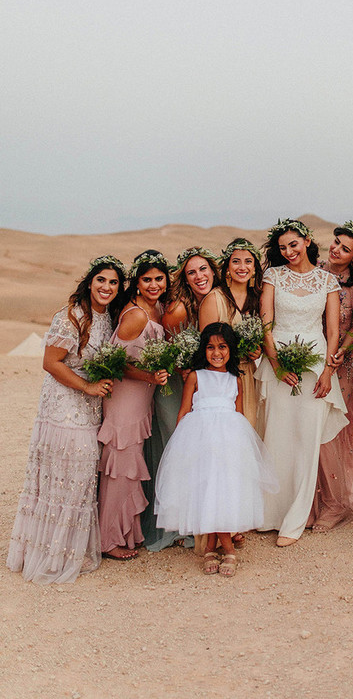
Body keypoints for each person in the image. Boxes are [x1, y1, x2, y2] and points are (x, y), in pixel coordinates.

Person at [7, 256, 126, 583]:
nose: (107, 287)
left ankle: (70, 548)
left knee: (83, 473)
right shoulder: (71, 316)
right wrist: (87, 386)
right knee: (69, 469)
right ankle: (50, 552)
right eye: (101, 280)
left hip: (91, 405)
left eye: (113, 282)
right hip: (64, 402)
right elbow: (51, 362)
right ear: (89, 282)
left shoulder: (108, 318)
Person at [154, 323, 278, 577]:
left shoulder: (235, 379)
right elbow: (184, 411)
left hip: (229, 443)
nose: (216, 352)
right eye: (210, 347)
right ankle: (225, 547)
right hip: (200, 440)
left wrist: (241, 449)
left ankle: (214, 545)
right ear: (203, 349)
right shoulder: (195, 376)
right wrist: (181, 447)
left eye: (222, 347)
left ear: (231, 349)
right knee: (208, 489)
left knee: (223, 489)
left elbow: (239, 414)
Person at [255, 219, 349, 546]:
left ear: (307, 241)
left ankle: (294, 519)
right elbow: (266, 324)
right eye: (283, 248)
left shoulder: (327, 280)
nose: (289, 252)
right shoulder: (273, 276)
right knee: (277, 437)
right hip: (280, 363)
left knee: (307, 440)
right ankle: (270, 514)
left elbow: (333, 331)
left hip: (315, 364)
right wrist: (277, 365)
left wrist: (327, 372)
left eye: (293, 244)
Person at [141, 247, 221, 551]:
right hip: (174, 388)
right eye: (192, 272)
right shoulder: (178, 310)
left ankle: (195, 520)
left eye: (203, 270)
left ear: (213, 271)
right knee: (177, 449)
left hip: (197, 386)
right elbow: (174, 356)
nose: (199, 276)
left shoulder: (211, 302)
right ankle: (175, 525)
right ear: (184, 278)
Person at [97, 250, 171, 560]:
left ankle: (128, 533)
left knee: (130, 465)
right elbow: (116, 364)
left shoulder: (157, 309)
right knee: (120, 467)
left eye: (158, 278)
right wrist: (151, 376)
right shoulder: (137, 314)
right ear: (137, 283)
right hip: (125, 399)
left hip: (141, 398)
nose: (154, 284)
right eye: (147, 279)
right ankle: (108, 539)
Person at [308, 221, 353, 532]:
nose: (336, 249)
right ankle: (309, 500)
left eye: (345, 248)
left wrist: (341, 352)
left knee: (332, 431)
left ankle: (335, 503)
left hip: (341, 364)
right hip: (307, 360)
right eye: (335, 242)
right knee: (308, 426)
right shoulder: (314, 269)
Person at [199, 237, 263, 430]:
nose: (242, 267)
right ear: (227, 267)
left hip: (250, 375)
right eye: (236, 261)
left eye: (248, 261)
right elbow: (206, 348)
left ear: (254, 268)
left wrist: (257, 351)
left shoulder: (258, 299)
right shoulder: (214, 299)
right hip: (222, 379)